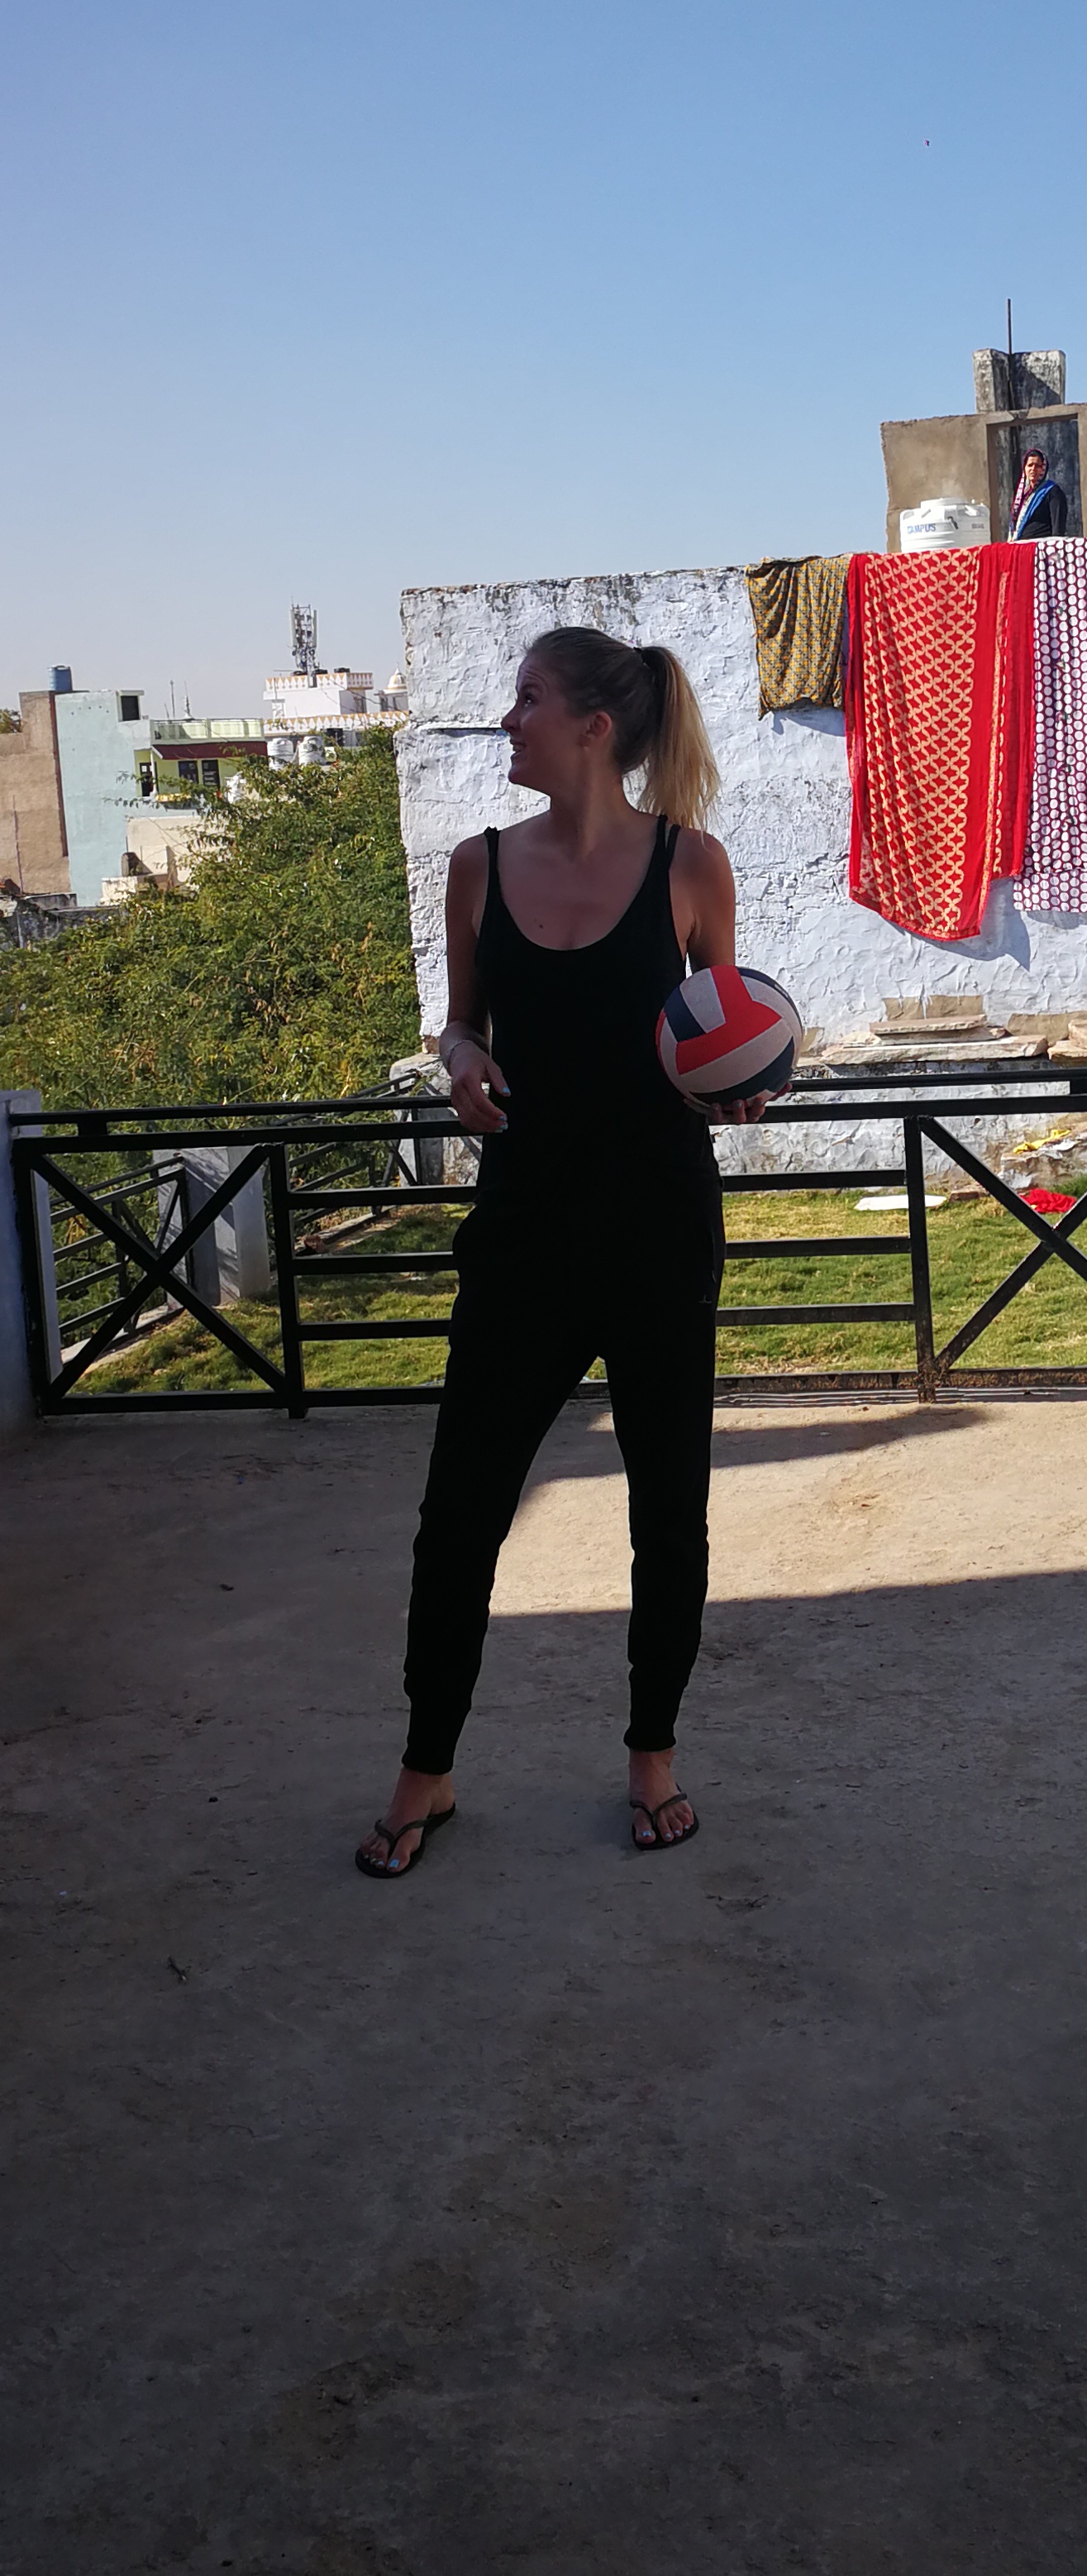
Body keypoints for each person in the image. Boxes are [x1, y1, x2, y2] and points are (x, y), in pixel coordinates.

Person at [355, 628, 765, 1879]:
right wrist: (461, 1060)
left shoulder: (692, 865)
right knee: (459, 1512)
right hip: (524, 1232)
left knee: (668, 1511)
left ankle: (653, 1757)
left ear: (593, 726)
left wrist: (739, 1088)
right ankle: (426, 1769)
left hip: (658, 1232)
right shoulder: (476, 866)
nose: (508, 718)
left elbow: (722, 1028)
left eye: (526, 698)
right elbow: (460, 1024)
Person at [1009, 447, 1068, 538]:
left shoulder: (1053, 492)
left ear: (1043, 469)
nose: (1033, 469)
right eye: (1030, 465)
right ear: (1025, 468)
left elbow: (1058, 529)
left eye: (1037, 466)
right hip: (1022, 544)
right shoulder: (1023, 495)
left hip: (1041, 544)